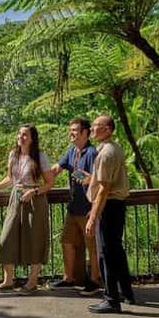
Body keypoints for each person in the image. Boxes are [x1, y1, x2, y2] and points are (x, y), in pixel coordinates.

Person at [0, 124, 54, 294]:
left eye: (25, 135)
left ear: (32, 138)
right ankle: (7, 281)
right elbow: (10, 179)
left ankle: (32, 282)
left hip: (35, 200)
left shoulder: (40, 156)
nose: (20, 137)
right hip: (16, 198)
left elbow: (50, 183)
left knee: (35, 238)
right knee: (6, 237)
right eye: (19, 134)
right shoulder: (14, 155)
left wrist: (33, 192)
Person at [84, 115, 134, 313]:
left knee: (106, 253)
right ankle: (127, 293)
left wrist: (94, 215)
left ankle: (111, 299)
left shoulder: (106, 153)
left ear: (107, 129)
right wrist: (91, 180)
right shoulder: (112, 148)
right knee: (116, 251)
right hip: (114, 204)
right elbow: (103, 182)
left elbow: (105, 189)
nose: (92, 129)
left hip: (109, 206)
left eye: (96, 126)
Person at [49, 118, 101, 295]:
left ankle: (94, 281)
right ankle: (69, 278)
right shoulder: (72, 151)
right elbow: (58, 167)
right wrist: (46, 173)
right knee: (67, 242)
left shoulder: (92, 153)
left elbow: (99, 180)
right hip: (72, 208)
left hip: (88, 209)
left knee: (92, 247)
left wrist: (89, 179)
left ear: (85, 133)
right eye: (70, 130)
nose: (71, 133)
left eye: (74, 130)